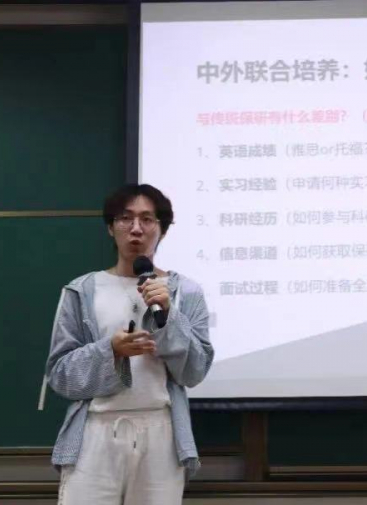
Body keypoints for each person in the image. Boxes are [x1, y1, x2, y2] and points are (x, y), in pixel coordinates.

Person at [40, 183, 214, 505]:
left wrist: (168, 317)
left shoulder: (186, 293)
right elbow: (60, 375)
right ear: (111, 227)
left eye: (147, 219)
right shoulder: (82, 290)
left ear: (162, 229)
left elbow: (195, 372)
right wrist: (111, 351)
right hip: (96, 430)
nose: (136, 229)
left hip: (162, 432)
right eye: (125, 218)